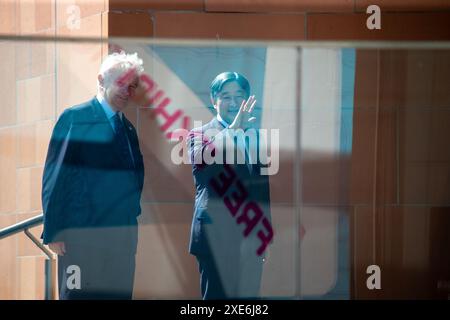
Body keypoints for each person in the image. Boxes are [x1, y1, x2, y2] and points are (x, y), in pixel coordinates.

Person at [41, 52, 145, 299]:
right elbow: (56, 176)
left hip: (121, 241)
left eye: (132, 86)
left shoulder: (128, 128)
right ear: (101, 79)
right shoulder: (76, 118)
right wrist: (54, 230)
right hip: (81, 240)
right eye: (121, 83)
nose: (127, 92)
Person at [187, 72, 272, 299]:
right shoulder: (199, 134)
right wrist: (233, 130)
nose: (233, 103)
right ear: (214, 100)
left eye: (239, 96)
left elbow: (262, 189)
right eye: (225, 96)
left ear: (248, 100)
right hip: (215, 237)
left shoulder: (256, 138)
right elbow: (203, 161)